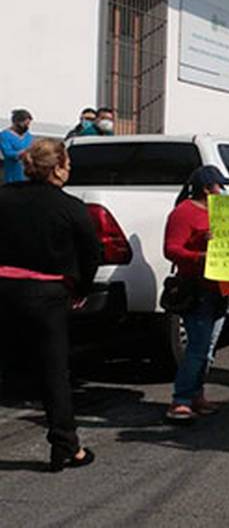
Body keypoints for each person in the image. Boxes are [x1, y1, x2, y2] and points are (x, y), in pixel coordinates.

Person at [0, 139, 99, 471]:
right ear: (57, 167)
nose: (70, 168)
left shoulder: (3, 196)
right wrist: (80, 289)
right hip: (46, 297)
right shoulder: (71, 207)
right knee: (53, 372)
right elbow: (91, 255)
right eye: (67, 163)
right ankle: (66, 446)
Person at [163, 165, 229, 422]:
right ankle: (180, 399)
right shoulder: (183, 213)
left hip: (220, 287)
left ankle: (196, 395)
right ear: (206, 188)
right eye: (218, 186)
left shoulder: (219, 212)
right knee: (198, 346)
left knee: (209, 347)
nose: (222, 190)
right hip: (197, 287)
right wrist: (201, 254)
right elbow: (171, 249)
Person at [1, 109, 34, 184]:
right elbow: (7, 153)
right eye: (25, 124)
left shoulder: (28, 136)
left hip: (27, 173)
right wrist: (22, 153)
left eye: (28, 124)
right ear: (16, 122)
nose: (27, 126)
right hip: (13, 171)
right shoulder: (5, 135)